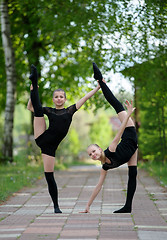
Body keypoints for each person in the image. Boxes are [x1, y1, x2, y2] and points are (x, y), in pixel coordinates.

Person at [27, 64, 100, 213]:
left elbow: (85, 98)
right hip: (42, 136)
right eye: (56, 97)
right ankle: (34, 82)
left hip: (49, 148)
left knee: (49, 176)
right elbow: (31, 108)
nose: (59, 99)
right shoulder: (50, 110)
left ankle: (56, 206)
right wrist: (32, 92)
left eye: (61, 97)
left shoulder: (70, 111)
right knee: (39, 111)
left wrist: (98, 87)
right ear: (53, 99)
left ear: (65, 99)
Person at [81, 63, 138, 213]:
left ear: (99, 149)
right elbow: (98, 186)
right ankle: (128, 207)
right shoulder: (104, 167)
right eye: (91, 154)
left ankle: (99, 80)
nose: (93, 154)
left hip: (128, 132)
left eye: (94, 151)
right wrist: (87, 206)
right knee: (133, 174)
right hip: (133, 149)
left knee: (115, 103)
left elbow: (120, 131)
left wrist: (129, 114)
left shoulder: (111, 149)